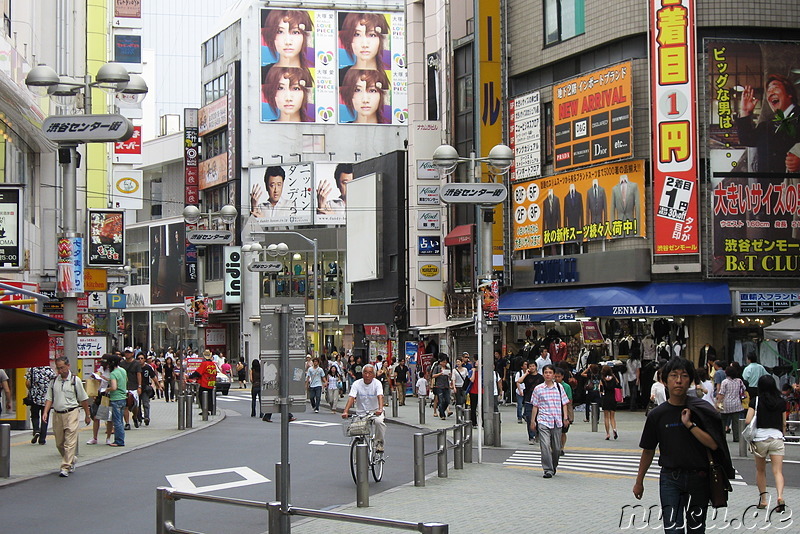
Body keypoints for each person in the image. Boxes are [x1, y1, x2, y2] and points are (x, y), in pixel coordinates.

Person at [633, 357, 732, 534]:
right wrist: (639, 481)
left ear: (691, 380)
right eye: (674, 375)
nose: (679, 380)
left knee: (696, 529)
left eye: (684, 376)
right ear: (665, 380)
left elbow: (714, 444)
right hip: (671, 479)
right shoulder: (657, 415)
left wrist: (690, 425)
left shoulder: (701, 410)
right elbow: (648, 450)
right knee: (673, 529)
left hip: (699, 478)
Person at [736, 74, 800, 173]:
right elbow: (747, 140)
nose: (770, 92)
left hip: (793, 187)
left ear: (789, 93)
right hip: (769, 187)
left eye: (775, 87)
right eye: (768, 91)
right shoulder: (766, 125)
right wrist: (745, 112)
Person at [41, 356, 92, 477]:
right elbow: (49, 398)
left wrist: (87, 415)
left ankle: (65, 467)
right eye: (58, 368)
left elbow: (83, 399)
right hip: (57, 414)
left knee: (70, 441)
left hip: (72, 412)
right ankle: (71, 459)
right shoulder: (54, 381)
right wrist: (45, 412)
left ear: (68, 366)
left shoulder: (75, 381)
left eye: (62, 367)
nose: (60, 371)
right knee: (59, 443)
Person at [745, 375, 787, 512]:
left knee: (761, 470)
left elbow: (747, 420)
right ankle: (780, 497)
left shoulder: (755, 401)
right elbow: (784, 423)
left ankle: (763, 500)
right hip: (777, 438)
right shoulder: (781, 402)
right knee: (778, 471)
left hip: (760, 439)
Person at [530, 365, 570, 478]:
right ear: (543, 374)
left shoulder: (559, 387)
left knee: (557, 448)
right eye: (546, 372)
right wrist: (533, 421)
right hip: (543, 420)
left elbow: (564, 403)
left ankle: (553, 466)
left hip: (557, 421)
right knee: (545, 445)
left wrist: (565, 417)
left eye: (550, 372)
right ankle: (547, 469)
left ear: (553, 375)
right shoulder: (538, 389)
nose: (548, 374)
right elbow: (535, 406)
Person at [341, 364, 386, 452]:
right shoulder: (357, 384)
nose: (367, 375)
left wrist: (380, 409)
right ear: (362, 374)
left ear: (374, 375)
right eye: (365, 373)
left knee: (379, 422)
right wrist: (345, 411)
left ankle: (379, 443)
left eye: (370, 373)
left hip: (375, 411)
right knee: (356, 431)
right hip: (361, 412)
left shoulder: (377, 383)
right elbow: (351, 397)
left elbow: (380, 396)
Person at [25, 364, 56, 445]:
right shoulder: (49, 370)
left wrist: (32, 388)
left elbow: (27, 383)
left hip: (35, 398)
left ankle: (36, 430)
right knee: (45, 418)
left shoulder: (32, 369)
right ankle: (42, 439)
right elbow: (54, 382)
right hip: (47, 399)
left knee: (34, 415)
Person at [86, 356, 113, 446]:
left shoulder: (113, 371)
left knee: (108, 418)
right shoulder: (101, 369)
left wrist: (105, 379)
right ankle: (95, 437)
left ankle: (108, 437)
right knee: (96, 417)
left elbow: (113, 382)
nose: (103, 364)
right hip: (99, 394)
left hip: (107, 394)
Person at [717, 365, 747, 441]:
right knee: (735, 422)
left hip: (726, 404)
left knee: (723, 421)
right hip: (736, 404)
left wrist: (718, 403)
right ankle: (736, 437)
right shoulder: (739, 381)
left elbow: (722, 393)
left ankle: (723, 437)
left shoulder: (725, 382)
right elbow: (744, 389)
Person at [519, 362, 544, 444]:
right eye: (530, 366)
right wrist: (526, 373)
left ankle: (538, 434)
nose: (532, 367)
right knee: (530, 419)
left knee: (538, 418)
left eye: (533, 366)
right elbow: (519, 381)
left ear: (536, 367)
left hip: (539, 401)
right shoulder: (527, 377)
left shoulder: (540, 377)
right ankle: (531, 436)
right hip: (528, 399)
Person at [107, 354, 127, 448]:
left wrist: (107, 390)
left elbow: (114, 387)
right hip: (123, 397)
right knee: (120, 420)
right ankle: (120, 439)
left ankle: (119, 440)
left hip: (116, 398)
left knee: (117, 421)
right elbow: (124, 381)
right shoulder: (122, 370)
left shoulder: (113, 373)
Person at [120, 347, 142, 429]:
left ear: (132, 353)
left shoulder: (136, 363)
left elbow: (139, 374)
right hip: (124, 387)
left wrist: (139, 386)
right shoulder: (122, 364)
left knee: (135, 405)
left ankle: (135, 416)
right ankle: (127, 423)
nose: (127, 354)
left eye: (129, 352)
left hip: (134, 387)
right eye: (126, 352)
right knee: (125, 405)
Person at [190, 350, 218, 416]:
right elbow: (215, 373)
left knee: (202, 396)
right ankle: (211, 409)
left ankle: (205, 410)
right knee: (210, 397)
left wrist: (190, 376)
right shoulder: (213, 364)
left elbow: (198, 373)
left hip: (204, 383)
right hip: (211, 383)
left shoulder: (204, 364)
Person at [554, 367, 574, 455]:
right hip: (555, 410)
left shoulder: (566, 386)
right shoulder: (552, 385)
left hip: (564, 410)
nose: (557, 379)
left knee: (563, 432)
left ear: (562, 376)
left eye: (559, 377)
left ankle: (561, 447)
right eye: (556, 377)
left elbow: (569, 400)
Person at [600, 364, 620, 440]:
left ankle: (608, 433)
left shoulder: (602, 379)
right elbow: (618, 384)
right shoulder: (614, 379)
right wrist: (613, 376)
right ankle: (614, 429)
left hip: (606, 398)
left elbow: (601, 390)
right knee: (612, 417)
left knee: (606, 417)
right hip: (613, 398)